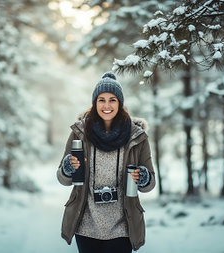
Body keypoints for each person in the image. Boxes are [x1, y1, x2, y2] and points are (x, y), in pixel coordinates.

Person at [57, 72, 155, 253]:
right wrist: (67, 168)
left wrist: (143, 177)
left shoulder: (137, 136)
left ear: (120, 103)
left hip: (123, 224)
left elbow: (150, 184)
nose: (107, 105)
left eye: (113, 100)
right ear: (94, 103)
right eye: (101, 100)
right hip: (86, 222)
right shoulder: (79, 133)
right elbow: (63, 179)